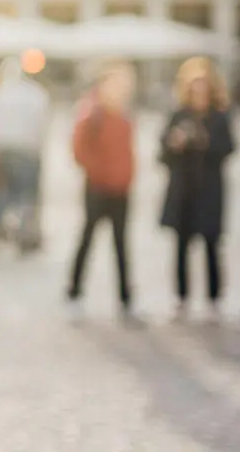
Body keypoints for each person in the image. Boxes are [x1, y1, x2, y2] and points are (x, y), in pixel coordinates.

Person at [158, 60, 235, 319]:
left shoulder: (219, 117)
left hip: (209, 191)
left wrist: (205, 142)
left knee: (212, 245)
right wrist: (174, 144)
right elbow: (161, 154)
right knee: (181, 246)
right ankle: (181, 297)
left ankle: (214, 297)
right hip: (184, 191)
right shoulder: (179, 115)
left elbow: (229, 149)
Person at [68, 61, 138, 318]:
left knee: (121, 243)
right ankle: (74, 292)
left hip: (121, 189)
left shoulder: (124, 114)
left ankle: (126, 298)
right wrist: (100, 173)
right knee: (87, 238)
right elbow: (79, 150)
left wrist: (127, 176)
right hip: (97, 188)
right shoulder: (91, 112)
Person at [0, 57, 50, 251]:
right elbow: (42, 125)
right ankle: (25, 234)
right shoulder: (37, 94)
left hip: (4, 150)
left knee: (5, 194)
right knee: (27, 195)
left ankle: (1, 231)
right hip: (27, 151)